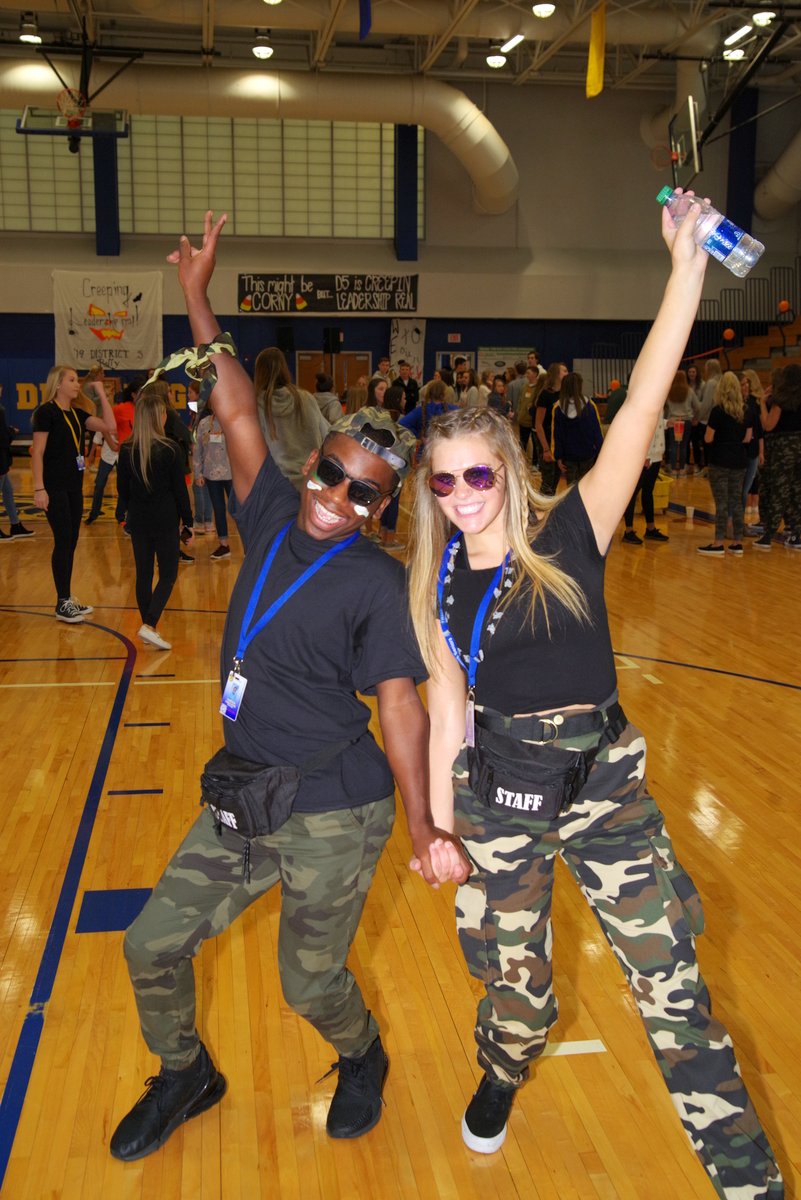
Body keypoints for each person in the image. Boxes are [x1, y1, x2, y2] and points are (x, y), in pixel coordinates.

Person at [405, 199, 783, 1199]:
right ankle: (502, 1068)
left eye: (478, 473)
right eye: (443, 482)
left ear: (509, 469)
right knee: (516, 995)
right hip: (498, 801)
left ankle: (750, 1184)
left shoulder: (573, 532)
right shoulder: (433, 586)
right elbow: (446, 716)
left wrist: (685, 269)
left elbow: (645, 402)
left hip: (606, 796)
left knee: (676, 998)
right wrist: (439, 830)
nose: (463, 493)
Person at [109, 211, 468, 1165]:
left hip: (333, 812)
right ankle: (186, 1073)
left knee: (307, 986)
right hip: (246, 790)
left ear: (380, 509)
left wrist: (424, 825)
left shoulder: (376, 584)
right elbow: (234, 408)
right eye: (333, 473)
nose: (337, 497)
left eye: (362, 492)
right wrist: (196, 297)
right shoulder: (270, 508)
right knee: (149, 945)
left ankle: (361, 1054)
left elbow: (400, 704)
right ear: (313, 460)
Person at [31, 366, 116, 623]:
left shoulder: (78, 415)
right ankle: (62, 603)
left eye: (77, 380)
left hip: (73, 486)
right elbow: (37, 452)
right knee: (63, 540)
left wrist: (102, 394)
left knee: (72, 541)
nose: (77, 384)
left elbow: (110, 426)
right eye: (71, 380)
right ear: (58, 384)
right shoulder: (46, 413)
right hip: (53, 487)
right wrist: (39, 488)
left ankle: (66, 598)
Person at [117, 385, 193, 649]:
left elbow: (123, 490)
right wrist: (188, 522)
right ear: (157, 417)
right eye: (163, 413)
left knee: (144, 574)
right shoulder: (170, 449)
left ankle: (149, 626)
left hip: (138, 520)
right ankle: (149, 625)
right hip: (164, 519)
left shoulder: (126, 450)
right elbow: (180, 490)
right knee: (168, 574)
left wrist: (125, 513)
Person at [254, 346, 329, 490]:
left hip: (276, 487)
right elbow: (327, 434)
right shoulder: (307, 398)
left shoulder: (257, 405)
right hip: (310, 482)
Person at [696, 370, 752, 557]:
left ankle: (718, 543)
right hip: (739, 460)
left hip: (720, 460)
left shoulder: (718, 411)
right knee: (736, 501)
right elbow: (748, 438)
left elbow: (708, 437)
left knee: (721, 503)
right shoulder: (745, 410)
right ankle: (737, 543)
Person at [754, 363, 801, 552]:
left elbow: (768, 425)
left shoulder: (781, 399)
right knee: (797, 491)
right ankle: (797, 534)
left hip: (783, 449)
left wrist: (762, 404)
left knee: (778, 491)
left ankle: (768, 535)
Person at [85, 381, 137, 525]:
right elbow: (99, 434)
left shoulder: (128, 417)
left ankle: (120, 515)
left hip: (121, 456)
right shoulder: (109, 416)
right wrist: (91, 452)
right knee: (99, 484)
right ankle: (94, 513)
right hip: (106, 456)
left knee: (123, 486)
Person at [194, 394, 234, 561]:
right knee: (218, 509)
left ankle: (250, 545)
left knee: (239, 510)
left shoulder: (233, 422)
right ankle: (224, 545)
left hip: (232, 474)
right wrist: (198, 473)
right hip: (211, 475)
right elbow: (198, 450)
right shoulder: (204, 424)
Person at [552, 372, 603, 484]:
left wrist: (558, 456)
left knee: (572, 487)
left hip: (568, 456)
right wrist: (600, 452)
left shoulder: (558, 408)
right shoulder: (589, 406)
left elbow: (557, 435)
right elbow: (596, 431)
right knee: (587, 486)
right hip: (588, 454)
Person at [533, 362, 568, 496]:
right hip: (546, 440)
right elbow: (538, 424)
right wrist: (546, 449)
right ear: (556, 374)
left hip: (558, 441)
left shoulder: (564, 394)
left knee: (555, 479)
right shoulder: (545, 395)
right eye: (564, 371)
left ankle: (549, 506)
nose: (567, 373)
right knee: (548, 479)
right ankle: (540, 507)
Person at [0, 408, 33, 541]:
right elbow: (3, 438)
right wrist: (11, 432)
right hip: (1, 460)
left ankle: (15, 525)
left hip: (3, 460)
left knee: (8, 492)